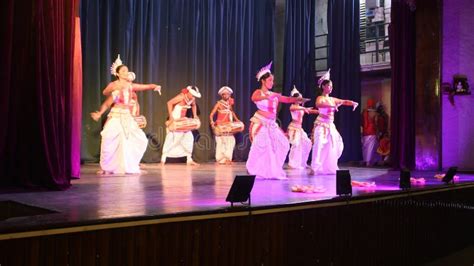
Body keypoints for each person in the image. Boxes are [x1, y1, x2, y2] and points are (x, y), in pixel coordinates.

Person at [91, 55, 161, 174]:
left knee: (139, 139)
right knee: (109, 139)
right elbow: (107, 101)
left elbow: (144, 86)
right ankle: (106, 167)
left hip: (127, 117)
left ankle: (129, 165)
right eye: (123, 70)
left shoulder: (130, 86)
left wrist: (155, 86)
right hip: (116, 116)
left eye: (127, 70)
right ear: (117, 74)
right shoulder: (115, 86)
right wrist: (100, 113)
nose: (126, 72)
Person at [246, 61, 307, 180]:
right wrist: (266, 96)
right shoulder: (259, 92)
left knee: (284, 144)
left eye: (272, 80)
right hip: (261, 123)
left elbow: (287, 99)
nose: (272, 83)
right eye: (270, 80)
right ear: (263, 81)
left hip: (271, 124)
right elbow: (254, 98)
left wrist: (301, 99)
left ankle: (273, 169)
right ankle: (255, 169)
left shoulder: (274, 94)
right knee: (263, 147)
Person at [310, 69, 358, 175]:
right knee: (318, 145)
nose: (331, 88)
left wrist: (353, 103)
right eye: (329, 86)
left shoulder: (332, 99)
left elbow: (343, 101)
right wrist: (332, 105)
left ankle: (328, 166)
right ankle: (314, 167)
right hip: (321, 124)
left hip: (330, 125)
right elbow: (318, 105)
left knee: (335, 144)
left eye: (332, 86)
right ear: (323, 86)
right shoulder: (320, 98)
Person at [161, 86, 201, 165]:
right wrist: (171, 117)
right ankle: (163, 159)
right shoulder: (181, 97)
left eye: (194, 96)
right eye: (193, 95)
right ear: (189, 92)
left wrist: (195, 115)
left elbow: (194, 105)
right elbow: (169, 103)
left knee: (189, 137)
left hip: (183, 118)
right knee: (173, 139)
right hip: (176, 117)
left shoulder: (192, 99)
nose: (194, 97)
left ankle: (189, 159)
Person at [210, 86, 244, 164]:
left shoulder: (229, 103)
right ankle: (220, 159)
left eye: (228, 94)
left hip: (228, 126)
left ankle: (227, 158)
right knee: (221, 142)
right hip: (221, 126)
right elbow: (212, 114)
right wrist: (212, 122)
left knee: (231, 141)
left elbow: (232, 112)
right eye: (224, 94)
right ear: (222, 95)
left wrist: (237, 120)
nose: (226, 96)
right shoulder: (219, 103)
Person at [287, 86, 318, 169]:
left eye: (301, 98)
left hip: (299, 129)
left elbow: (310, 111)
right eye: (299, 98)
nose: (301, 100)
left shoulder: (301, 107)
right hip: (293, 128)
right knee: (296, 144)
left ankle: (302, 162)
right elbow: (296, 108)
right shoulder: (292, 106)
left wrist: (320, 112)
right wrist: (304, 108)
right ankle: (292, 164)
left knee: (307, 143)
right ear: (294, 99)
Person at [361, 98, 379, 166]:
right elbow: (376, 123)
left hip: (365, 132)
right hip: (372, 131)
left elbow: (362, 122)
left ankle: (365, 160)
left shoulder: (364, 112)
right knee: (370, 148)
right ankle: (368, 162)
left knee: (365, 147)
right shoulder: (374, 112)